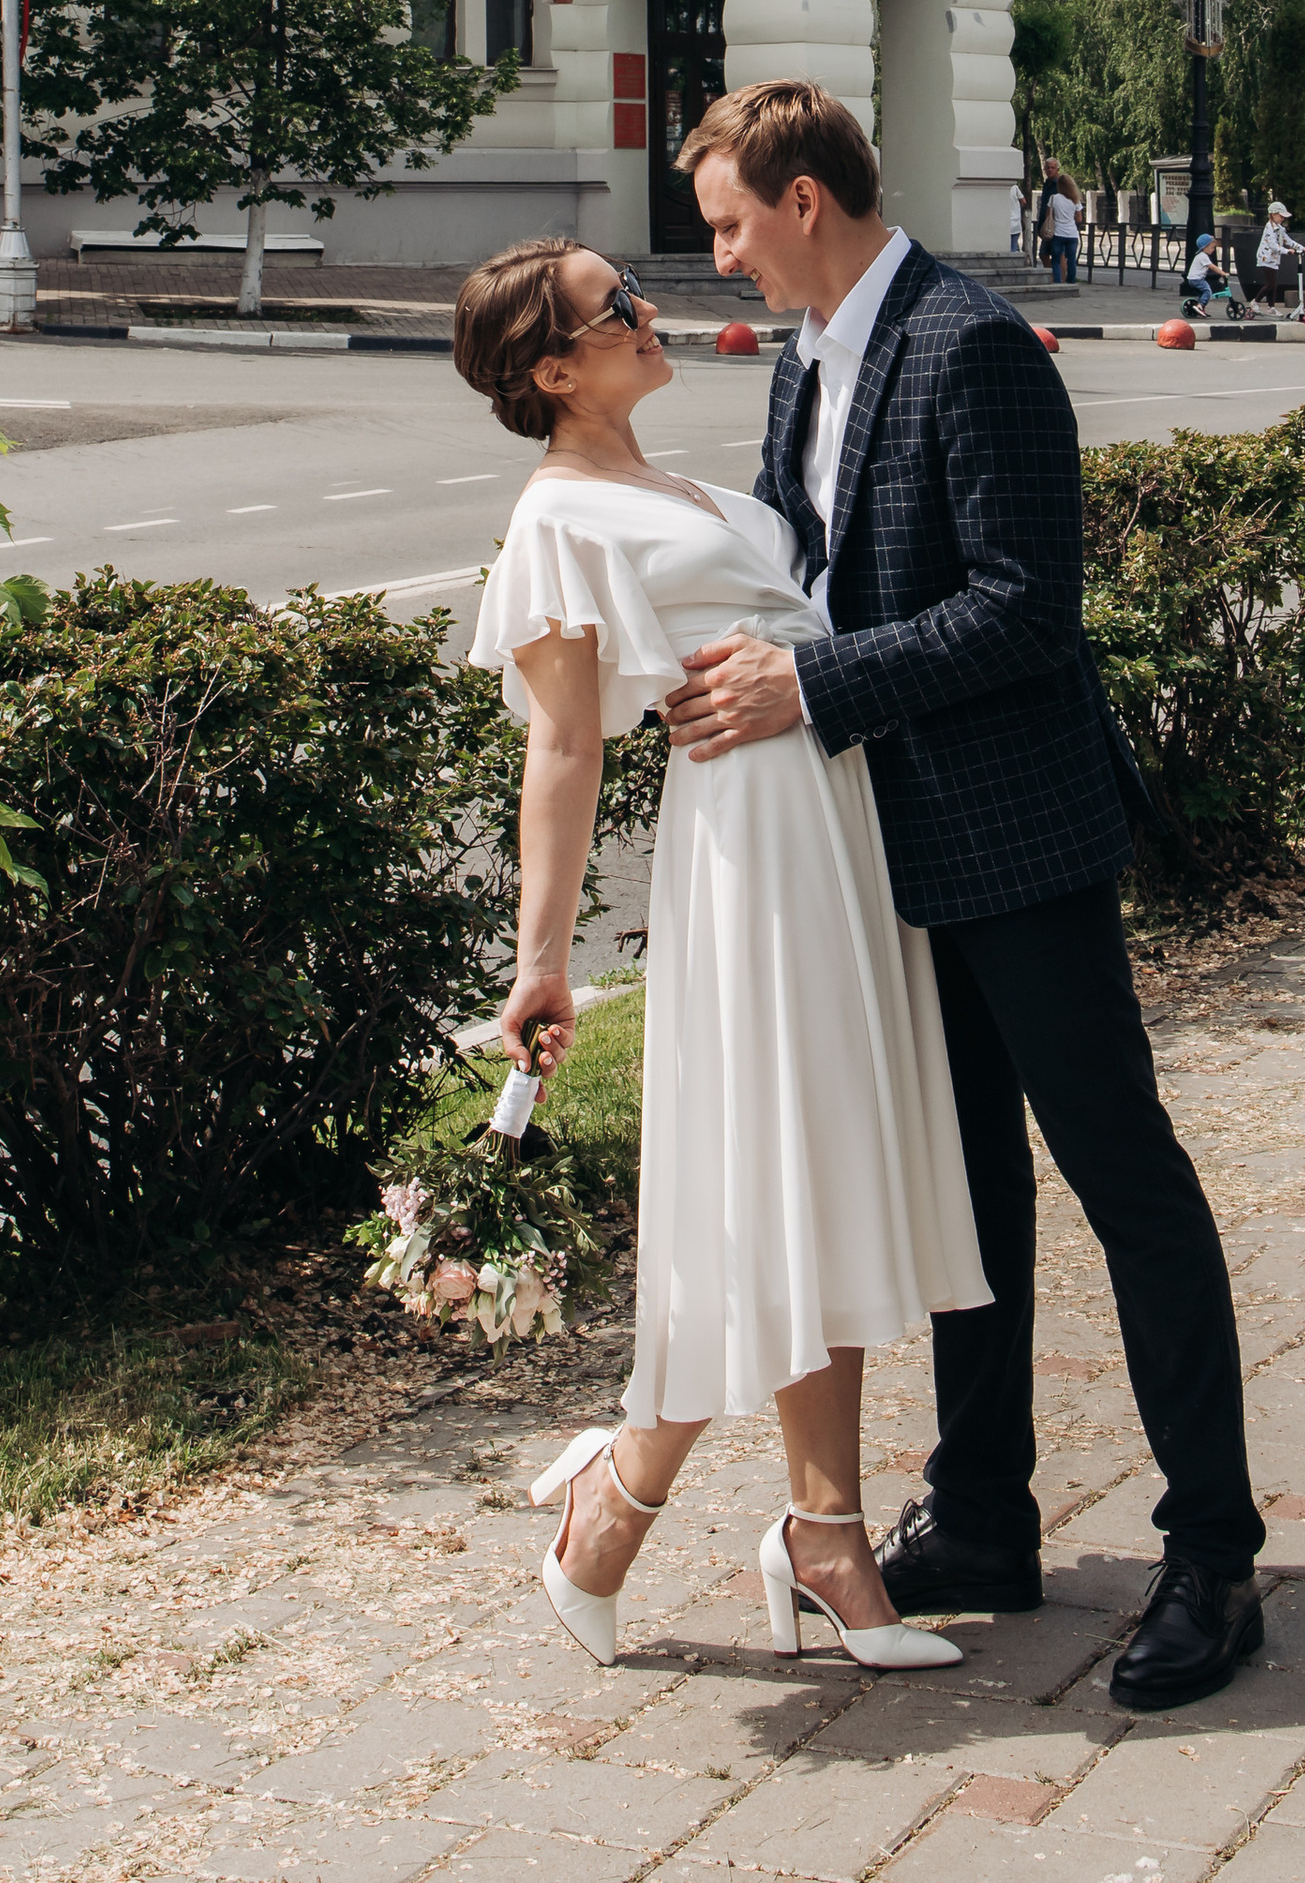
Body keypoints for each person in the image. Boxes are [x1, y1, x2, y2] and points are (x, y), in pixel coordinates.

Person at [668, 80, 1265, 1713]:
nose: (718, 257)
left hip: (1021, 842)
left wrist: (817, 690)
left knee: (1121, 1177)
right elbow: (807, 564)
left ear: (804, 202)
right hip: (883, 850)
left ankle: (1214, 1553)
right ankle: (985, 1518)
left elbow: (1024, 610)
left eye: (729, 222)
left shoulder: (972, 344)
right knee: (969, 1198)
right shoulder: (807, 353)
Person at [456, 237, 985, 1679]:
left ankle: (823, 1534)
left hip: (828, 831)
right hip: (746, 855)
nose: (644, 306)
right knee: (758, 1186)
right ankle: (623, 1508)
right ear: (553, 369)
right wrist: (541, 960)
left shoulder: (670, 486)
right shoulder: (560, 515)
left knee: (826, 1181)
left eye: (629, 283)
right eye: (609, 305)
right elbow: (562, 748)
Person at [1254, 200, 1303, 309]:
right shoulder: (1269, 228)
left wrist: (1301, 248)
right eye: (1281, 216)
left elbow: (1288, 240)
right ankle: (1255, 302)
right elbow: (1273, 246)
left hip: (1274, 259)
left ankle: (1271, 307)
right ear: (1273, 214)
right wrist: (1287, 251)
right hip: (1266, 258)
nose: (1283, 219)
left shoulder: (1280, 228)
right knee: (1271, 284)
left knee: (1273, 284)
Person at [1042, 170, 1081, 289]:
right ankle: (1071, 282)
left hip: (1058, 233)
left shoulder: (1054, 198)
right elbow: (1079, 218)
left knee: (1056, 260)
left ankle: (1058, 282)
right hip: (1072, 234)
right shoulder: (1075, 199)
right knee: (1071, 260)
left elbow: (1049, 216)